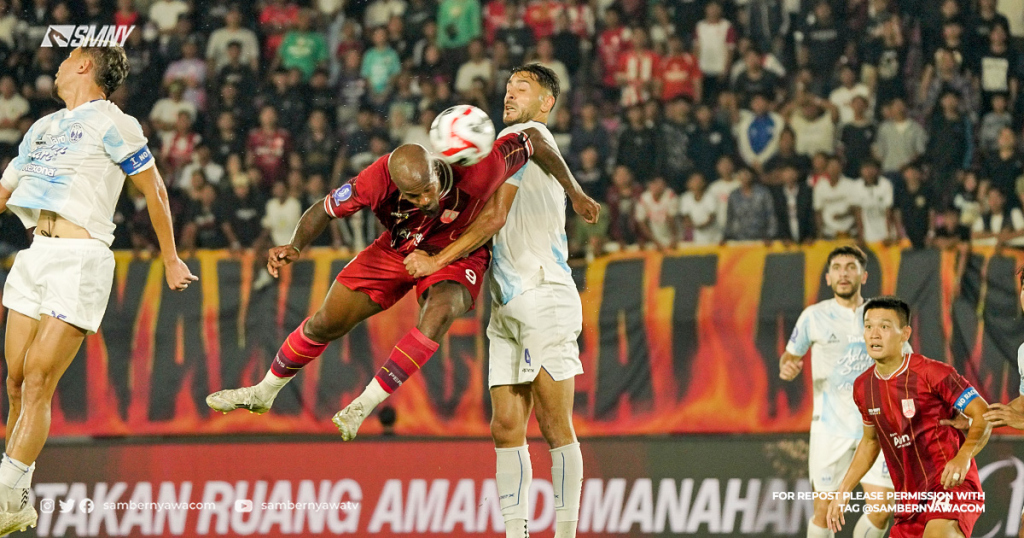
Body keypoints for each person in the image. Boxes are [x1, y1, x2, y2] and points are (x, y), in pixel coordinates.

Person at [206, 94, 600, 444]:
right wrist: (294, 245)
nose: (425, 198)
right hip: (396, 249)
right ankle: (264, 392)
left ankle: (363, 405)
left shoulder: (483, 167)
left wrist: (575, 191)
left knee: (439, 312)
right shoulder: (375, 178)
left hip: (459, 253)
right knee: (326, 323)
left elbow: (537, 143)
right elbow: (323, 210)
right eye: (413, 195)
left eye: (428, 188)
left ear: (436, 167)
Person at [0, 46, 196, 534]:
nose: (59, 65)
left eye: (68, 59)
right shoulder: (40, 128)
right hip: (33, 256)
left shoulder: (116, 121)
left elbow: (154, 190)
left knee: (41, 381)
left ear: (86, 66)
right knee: (17, 382)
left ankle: (3, 495)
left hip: (80, 259)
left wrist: (171, 256)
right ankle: (19, 498)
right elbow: (4, 193)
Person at [404, 63, 594, 538]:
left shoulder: (527, 135)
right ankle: (516, 532)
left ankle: (566, 533)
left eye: (522, 88)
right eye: (508, 87)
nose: (509, 95)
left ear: (547, 102)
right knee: (505, 428)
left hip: (544, 292)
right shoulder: (504, 149)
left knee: (555, 425)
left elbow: (494, 217)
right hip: (508, 304)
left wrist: (436, 260)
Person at [826, 296, 993, 538]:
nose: (874, 334)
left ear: (905, 334)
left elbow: (983, 414)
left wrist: (963, 456)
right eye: (868, 326)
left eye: (884, 327)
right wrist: (843, 491)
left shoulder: (932, 372)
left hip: (950, 487)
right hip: (909, 500)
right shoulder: (863, 387)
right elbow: (871, 442)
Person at [780, 246, 898, 538]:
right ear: (828, 278)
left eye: (850, 266)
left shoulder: (881, 315)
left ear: (864, 275)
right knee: (825, 511)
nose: (843, 273)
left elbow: (905, 362)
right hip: (831, 430)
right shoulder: (813, 316)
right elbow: (789, 356)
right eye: (837, 268)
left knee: (882, 509)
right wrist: (788, 366)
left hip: (877, 427)